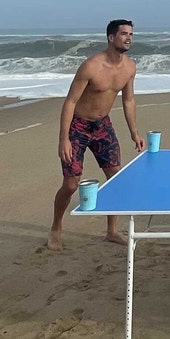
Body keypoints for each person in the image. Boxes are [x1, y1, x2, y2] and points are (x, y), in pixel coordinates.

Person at [48, 19, 146, 250]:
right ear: (111, 37)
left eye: (131, 34)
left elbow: (128, 100)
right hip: (78, 127)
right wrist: (63, 138)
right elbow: (70, 101)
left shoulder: (130, 67)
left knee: (115, 179)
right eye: (123, 34)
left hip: (102, 126)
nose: (129, 38)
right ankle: (56, 228)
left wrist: (135, 133)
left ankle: (111, 231)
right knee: (71, 184)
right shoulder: (91, 66)